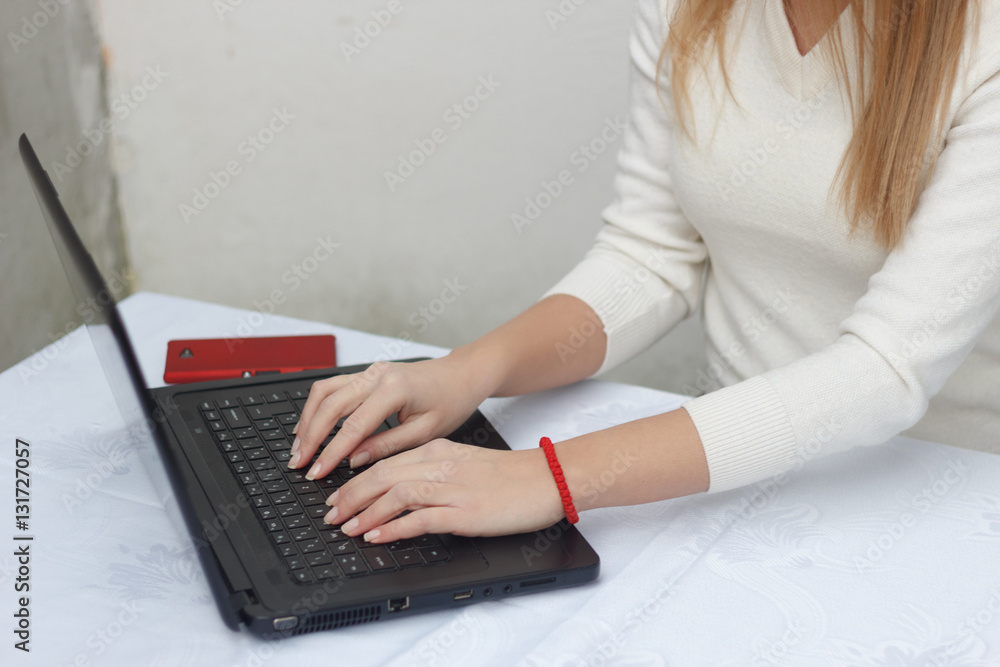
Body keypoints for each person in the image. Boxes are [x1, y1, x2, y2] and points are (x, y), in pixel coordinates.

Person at [289, 0, 1000, 544]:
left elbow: (886, 371)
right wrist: (465, 373)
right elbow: (652, 254)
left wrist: (552, 475)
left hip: (943, 492)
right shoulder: (689, 10)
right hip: (724, 476)